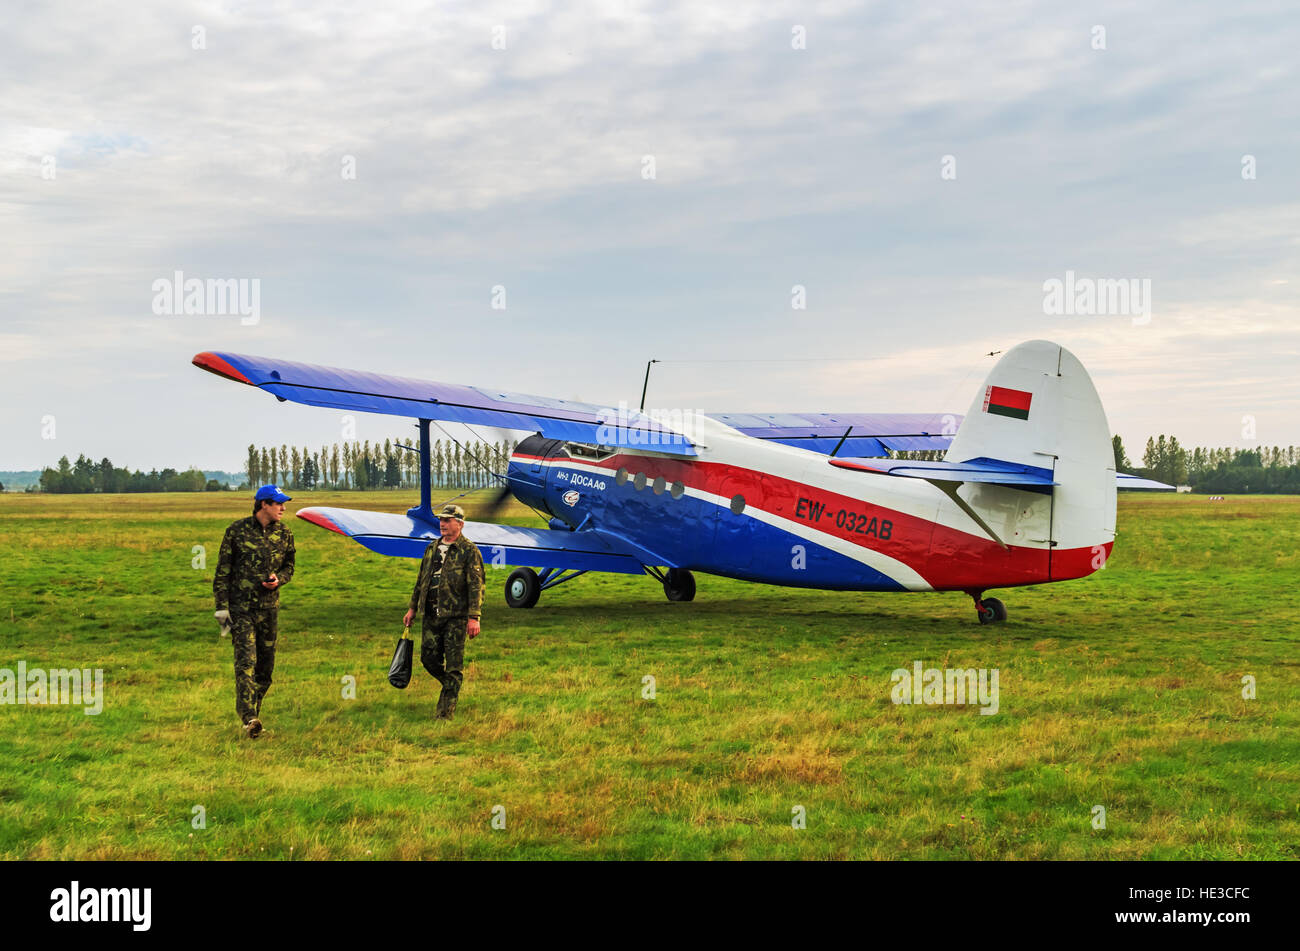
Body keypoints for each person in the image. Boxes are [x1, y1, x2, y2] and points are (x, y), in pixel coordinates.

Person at [213, 484, 296, 738]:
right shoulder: (236, 532)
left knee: (265, 669)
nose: (283, 508)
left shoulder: (284, 533)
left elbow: (289, 567)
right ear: (264, 505)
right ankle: (249, 717)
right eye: (278, 504)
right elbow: (222, 573)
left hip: (269, 610)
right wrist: (222, 611)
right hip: (241, 610)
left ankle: (253, 717)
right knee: (246, 662)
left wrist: (278, 579)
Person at [402, 503, 484, 721]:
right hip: (430, 613)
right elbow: (421, 579)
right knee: (428, 659)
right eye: (441, 520)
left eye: (447, 521)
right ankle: (450, 685)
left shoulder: (469, 551)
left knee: (454, 665)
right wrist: (412, 608)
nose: (442, 524)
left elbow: (476, 586)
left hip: (455, 617)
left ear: (460, 524)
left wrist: (474, 617)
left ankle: (444, 714)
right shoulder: (432, 548)